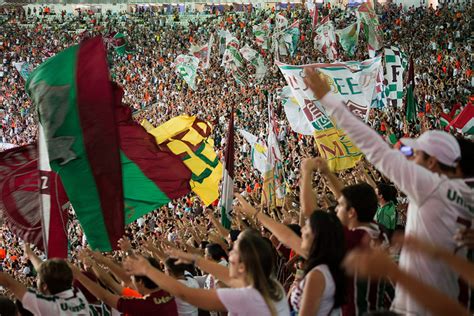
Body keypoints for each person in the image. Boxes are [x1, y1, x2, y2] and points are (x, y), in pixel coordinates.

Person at [304, 68, 474, 315]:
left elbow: (378, 150)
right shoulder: (465, 194)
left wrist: (329, 100)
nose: (409, 160)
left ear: (432, 163)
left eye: (415, 154)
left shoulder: (430, 185)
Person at [124, 229, 291, 316]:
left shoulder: (244, 296)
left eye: (234, 252)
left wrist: (146, 269)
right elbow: (222, 272)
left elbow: (185, 293)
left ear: (242, 266)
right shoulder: (269, 285)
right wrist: (194, 259)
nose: (229, 254)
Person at [235, 194, 346, 316]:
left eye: (307, 228)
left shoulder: (317, 275)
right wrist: (254, 213)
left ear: (317, 236)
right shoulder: (319, 257)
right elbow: (285, 235)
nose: (302, 230)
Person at [70, 256, 178, 315]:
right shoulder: (169, 291)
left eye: (132, 277)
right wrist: (102, 261)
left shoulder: (141, 305)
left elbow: (105, 296)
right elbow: (115, 282)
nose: (129, 280)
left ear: (140, 282)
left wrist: (78, 275)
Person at [0, 259, 90, 315]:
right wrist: (30, 254)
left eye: (39, 277)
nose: (36, 278)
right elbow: (50, 274)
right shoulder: (78, 295)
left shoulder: (49, 307)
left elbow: (9, 282)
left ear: (44, 286)